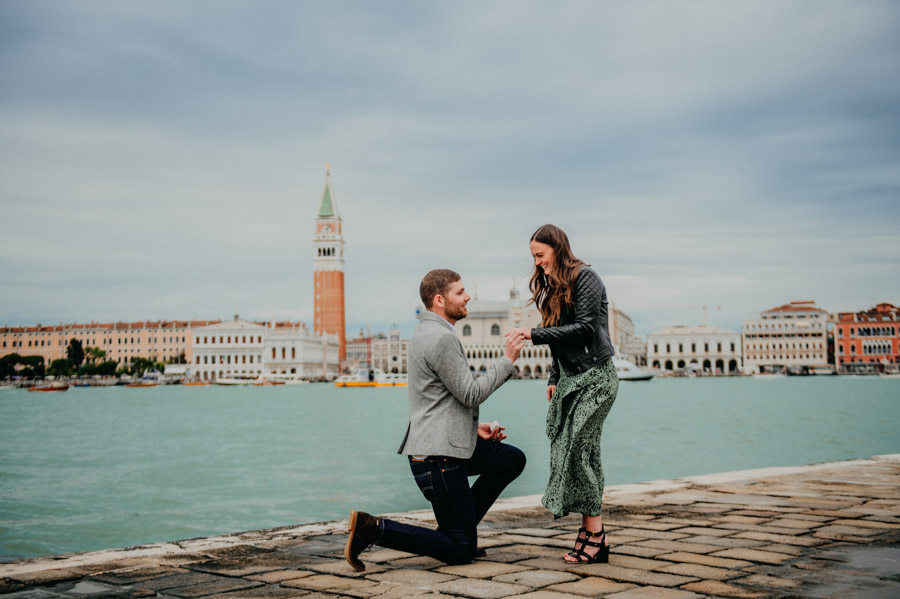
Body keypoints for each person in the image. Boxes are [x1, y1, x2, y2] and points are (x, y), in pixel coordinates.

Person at [345, 269, 527, 570]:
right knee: (461, 551)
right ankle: (373, 529)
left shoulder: (426, 332)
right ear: (440, 300)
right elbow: (470, 394)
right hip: (437, 459)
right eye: (460, 292)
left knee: (511, 460)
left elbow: (438, 397)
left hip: (444, 447)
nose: (467, 296)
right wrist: (507, 361)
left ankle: (457, 528)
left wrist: (471, 427)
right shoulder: (441, 338)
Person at [507, 224, 619, 564]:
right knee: (576, 452)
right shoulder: (551, 285)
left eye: (540, 255)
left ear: (558, 248)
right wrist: (553, 376)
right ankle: (589, 533)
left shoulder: (587, 277)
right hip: (570, 380)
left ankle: (596, 536)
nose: (537, 263)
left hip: (597, 377)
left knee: (578, 452)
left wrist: (533, 333)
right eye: (533, 258)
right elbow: (559, 336)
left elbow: (585, 327)